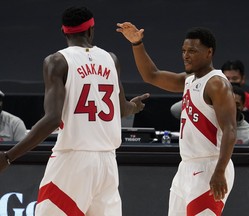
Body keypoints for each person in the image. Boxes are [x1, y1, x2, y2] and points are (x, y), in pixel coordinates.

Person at [0, 6, 149, 216]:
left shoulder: (56, 61)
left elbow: (52, 119)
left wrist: (8, 156)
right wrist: (135, 105)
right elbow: (122, 108)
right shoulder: (111, 59)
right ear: (91, 30)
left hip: (73, 160)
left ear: (63, 32)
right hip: (107, 163)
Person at [117, 23, 237, 215]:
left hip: (210, 165)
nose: (186, 55)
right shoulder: (189, 80)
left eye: (192, 51)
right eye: (183, 50)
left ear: (209, 52)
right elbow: (151, 75)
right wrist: (137, 43)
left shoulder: (216, 83)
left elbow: (230, 130)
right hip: (186, 167)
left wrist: (220, 171)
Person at [221, 60, 249, 132]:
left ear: (242, 79)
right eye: (227, 79)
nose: (231, 82)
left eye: (235, 78)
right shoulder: (215, 98)